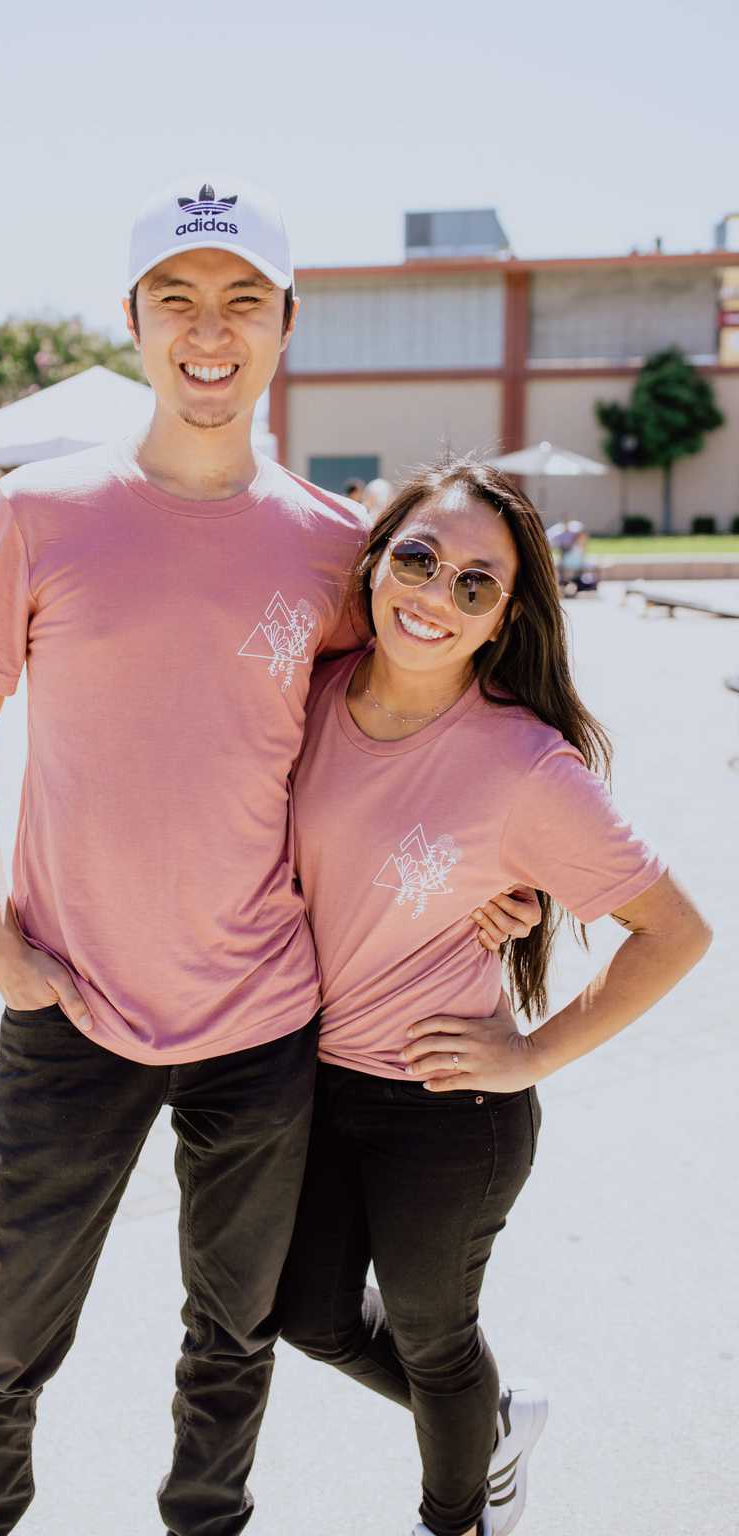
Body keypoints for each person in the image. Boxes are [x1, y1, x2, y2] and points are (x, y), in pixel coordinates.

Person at [0, 177, 536, 1536]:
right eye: (180, 300)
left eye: (243, 301)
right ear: (137, 322)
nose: (212, 329)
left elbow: (404, 731)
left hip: (261, 1025)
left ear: (285, 326)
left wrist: (504, 867)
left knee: (233, 1343)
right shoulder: (34, 512)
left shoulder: (333, 552)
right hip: (67, 1008)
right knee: (3, 1345)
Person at [278, 458, 712, 1536]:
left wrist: (531, 1055)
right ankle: (493, 1421)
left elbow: (677, 932)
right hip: (309, 1086)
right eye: (418, 558)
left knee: (434, 1340)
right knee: (306, 1314)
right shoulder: (311, 689)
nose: (435, 595)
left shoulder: (525, 767)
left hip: (445, 1114)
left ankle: (458, 1513)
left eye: (476, 584)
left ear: (502, 618)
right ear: (375, 560)